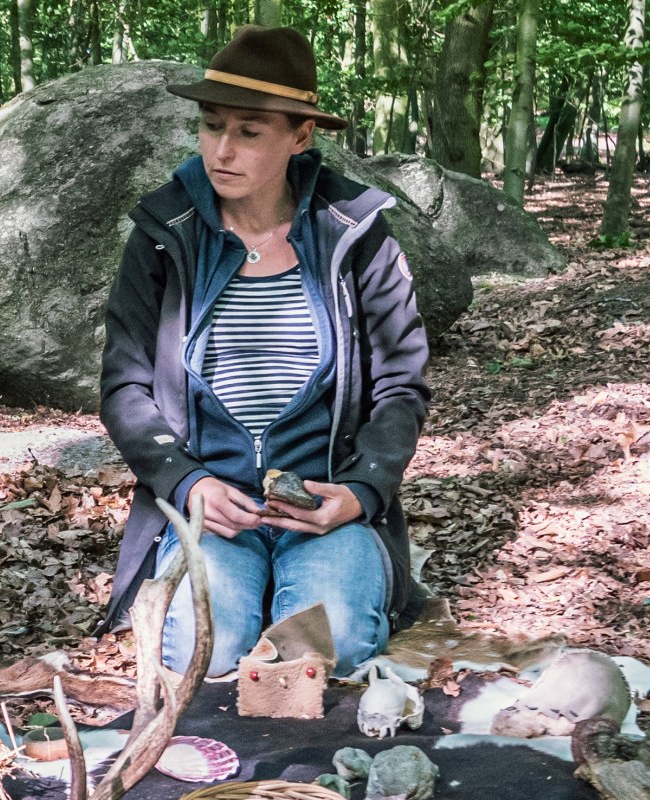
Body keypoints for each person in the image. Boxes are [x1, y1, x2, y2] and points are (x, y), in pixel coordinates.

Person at [97, 25, 429, 678]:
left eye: (249, 131)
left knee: (327, 653)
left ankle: (320, 582)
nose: (222, 149)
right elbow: (124, 388)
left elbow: (401, 385)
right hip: (211, 514)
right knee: (203, 651)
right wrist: (187, 482)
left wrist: (361, 491)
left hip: (323, 513)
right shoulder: (166, 234)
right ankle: (245, 594)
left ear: (299, 136)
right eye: (211, 124)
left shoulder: (354, 234)